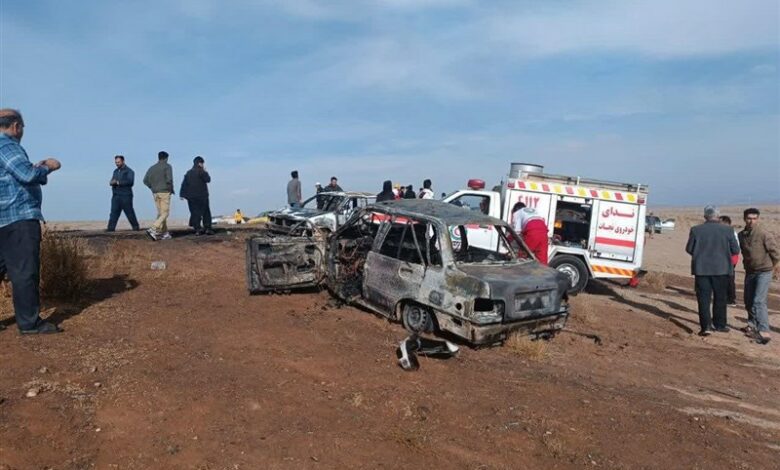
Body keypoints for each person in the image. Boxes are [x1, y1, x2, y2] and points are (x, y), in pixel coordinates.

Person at [0, 109, 63, 334]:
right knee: (24, 272)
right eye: (23, 128)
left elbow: (14, 175)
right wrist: (49, 167)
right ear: (16, 126)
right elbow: (26, 175)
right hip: (17, 218)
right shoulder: (6, 145)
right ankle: (29, 324)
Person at [685, 205, 740, 336]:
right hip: (722, 269)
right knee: (720, 298)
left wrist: (700, 254)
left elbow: (689, 248)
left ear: (705, 216)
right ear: (718, 216)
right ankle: (720, 325)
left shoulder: (696, 230)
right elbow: (736, 250)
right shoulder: (728, 230)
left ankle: (706, 327)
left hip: (701, 269)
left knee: (703, 299)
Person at [738, 208, 779, 344]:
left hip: (764, 271)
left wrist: (776, 269)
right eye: (749, 218)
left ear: (758, 219)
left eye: (755, 218)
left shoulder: (764, 234)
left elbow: (775, 253)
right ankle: (752, 325)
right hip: (750, 272)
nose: (752, 221)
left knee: (758, 301)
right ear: (744, 218)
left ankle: (764, 331)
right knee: (748, 300)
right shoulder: (741, 235)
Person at [143, 151, 174, 240]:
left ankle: (164, 233)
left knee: (161, 213)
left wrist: (152, 187)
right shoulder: (167, 166)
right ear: (166, 158)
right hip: (164, 192)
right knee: (165, 213)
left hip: (155, 193)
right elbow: (169, 179)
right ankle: (153, 228)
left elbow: (145, 180)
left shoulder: (152, 168)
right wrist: (171, 189)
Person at [179, 156, 213, 235]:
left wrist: (182, 194)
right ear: (200, 163)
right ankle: (207, 228)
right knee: (206, 212)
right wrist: (205, 171)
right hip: (202, 195)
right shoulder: (201, 171)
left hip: (191, 197)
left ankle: (198, 229)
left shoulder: (188, 173)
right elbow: (208, 179)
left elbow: (184, 184)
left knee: (194, 212)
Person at [107, 155, 140, 232]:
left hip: (126, 196)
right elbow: (112, 180)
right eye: (116, 162)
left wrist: (118, 182)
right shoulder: (115, 171)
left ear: (123, 161)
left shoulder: (129, 171)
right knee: (113, 213)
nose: (117, 164)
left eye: (118, 162)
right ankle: (110, 230)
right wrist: (111, 182)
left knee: (129, 213)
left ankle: (136, 228)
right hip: (116, 196)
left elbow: (130, 182)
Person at [719, 215, 740, 306]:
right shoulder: (725, 232)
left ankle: (731, 299)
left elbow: (735, 248)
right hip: (726, 258)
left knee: (730, 278)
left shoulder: (731, 233)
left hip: (731, 258)